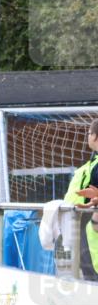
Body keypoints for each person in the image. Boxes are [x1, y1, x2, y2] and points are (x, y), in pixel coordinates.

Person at [64, 119, 98, 279]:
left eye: (89, 133)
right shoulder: (93, 160)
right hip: (83, 220)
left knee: (91, 271)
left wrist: (94, 203)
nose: (88, 137)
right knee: (88, 270)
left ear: (95, 137)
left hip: (90, 222)